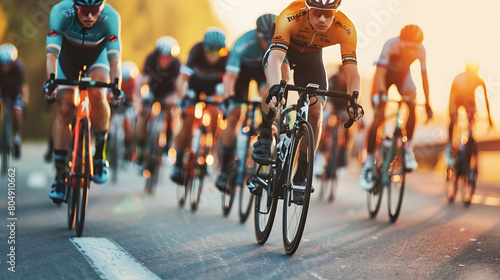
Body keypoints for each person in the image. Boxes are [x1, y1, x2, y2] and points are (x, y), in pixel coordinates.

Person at [251, 0, 363, 187]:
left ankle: (302, 172)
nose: (321, 18)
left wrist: (354, 100)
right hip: (284, 51)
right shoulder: (290, 16)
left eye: (328, 14)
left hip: (311, 59)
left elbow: (351, 71)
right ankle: (264, 135)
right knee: (281, 84)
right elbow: (275, 60)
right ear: (308, 9)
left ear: (336, 12)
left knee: (316, 112)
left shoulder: (346, 28)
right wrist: (274, 89)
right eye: (317, 12)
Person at [45, 0, 122, 203]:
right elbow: (52, 54)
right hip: (66, 60)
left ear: (101, 9)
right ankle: (60, 177)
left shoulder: (111, 17)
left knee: (98, 94)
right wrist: (51, 82)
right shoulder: (60, 12)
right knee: (65, 108)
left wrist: (116, 86)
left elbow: (115, 58)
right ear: (75, 8)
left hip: (98, 58)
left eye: (94, 11)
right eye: (84, 11)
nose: (89, 16)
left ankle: (99, 157)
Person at [359, 24, 433, 191]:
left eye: (413, 48)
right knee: (379, 115)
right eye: (407, 47)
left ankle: (408, 152)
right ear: (401, 41)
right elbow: (380, 73)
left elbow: (424, 78)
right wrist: (383, 94)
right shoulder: (391, 45)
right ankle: (369, 165)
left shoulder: (421, 50)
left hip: (403, 77)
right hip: (383, 78)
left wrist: (428, 102)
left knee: (413, 102)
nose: (410, 51)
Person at [214, 14, 276, 192]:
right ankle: (225, 170)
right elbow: (230, 78)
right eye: (264, 38)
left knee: (267, 94)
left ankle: (263, 129)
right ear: (257, 34)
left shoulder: (278, 43)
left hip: (262, 73)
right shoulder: (243, 43)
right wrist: (228, 98)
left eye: (270, 38)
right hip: (241, 74)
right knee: (234, 114)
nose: (267, 42)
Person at [170, 27, 229, 184]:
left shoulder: (226, 57)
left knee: (216, 113)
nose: (213, 56)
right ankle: (178, 161)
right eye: (210, 51)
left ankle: (211, 145)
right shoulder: (196, 51)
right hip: (194, 87)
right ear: (204, 48)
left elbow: (229, 83)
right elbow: (182, 79)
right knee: (189, 118)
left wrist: (226, 100)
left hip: (214, 88)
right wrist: (182, 97)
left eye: (218, 52)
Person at [136, 36, 181, 167]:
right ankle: (141, 150)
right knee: (144, 115)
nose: (164, 60)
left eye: (168, 58)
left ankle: (167, 147)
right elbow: (142, 79)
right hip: (152, 91)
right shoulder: (150, 59)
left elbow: (180, 85)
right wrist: (142, 94)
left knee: (172, 114)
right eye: (161, 57)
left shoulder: (177, 65)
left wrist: (175, 97)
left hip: (168, 93)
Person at [445, 62, 493, 165]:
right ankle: (450, 146)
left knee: (471, 124)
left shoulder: (479, 81)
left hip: (469, 102)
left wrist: (489, 118)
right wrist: (452, 113)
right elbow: (452, 97)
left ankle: (468, 142)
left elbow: (486, 100)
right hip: (456, 100)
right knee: (453, 122)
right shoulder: (459, 78)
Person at [0, 43, 29, 159]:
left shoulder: (18, 67)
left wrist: (25, 104)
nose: (5, 67)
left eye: (8, 64)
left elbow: (24, 87)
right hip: (2, 90)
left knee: (17, 111)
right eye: (3, 64)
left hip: (15, 92)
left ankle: (17, 137)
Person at [113, 60, 140, 162]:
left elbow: (136, 98)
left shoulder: (134, 82)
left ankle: (130, 151)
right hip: (116, 105)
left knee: (130, 124)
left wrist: (136, 107)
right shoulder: (117, 79)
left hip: (127, 106)